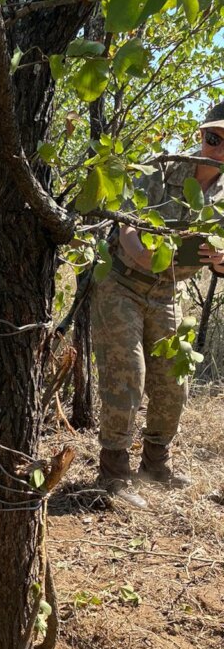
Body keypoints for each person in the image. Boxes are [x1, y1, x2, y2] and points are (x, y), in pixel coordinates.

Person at [91, 102, 224, 508]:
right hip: (122, 283)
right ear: (201, 136)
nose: (216, 148)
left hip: (169, 292)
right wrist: (145, 255)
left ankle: (156, 464)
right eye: (212, 137)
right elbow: (126, 223)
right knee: (127, 372)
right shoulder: (161, 169)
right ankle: (113, 473)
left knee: (172, 381)